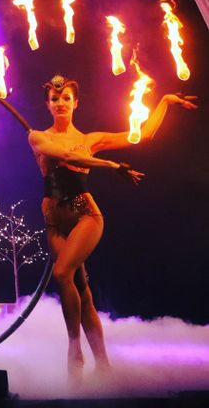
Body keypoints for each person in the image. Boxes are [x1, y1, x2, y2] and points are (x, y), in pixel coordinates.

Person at [28, 75, 196, 378]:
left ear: (76, 102)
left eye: (66, 98)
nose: (61, 103)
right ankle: (103, 364)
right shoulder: (39, 137)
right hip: (54, 220)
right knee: (81, 289)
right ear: (48, 104)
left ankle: (74, 349)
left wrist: (165, 103)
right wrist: (112, 165)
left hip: (85, 215)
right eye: (55, 99)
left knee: (62, 273)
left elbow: (140, 135)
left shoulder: (92, 139)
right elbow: (66, 156)